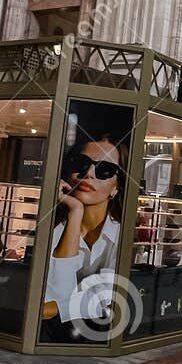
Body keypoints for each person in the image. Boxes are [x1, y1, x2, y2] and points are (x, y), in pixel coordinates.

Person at [42, 135, 126, 337]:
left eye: (105, 170)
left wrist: (56, 308)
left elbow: (107, 300)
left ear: (115, 187)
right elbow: (58, 293)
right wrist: (75, 211)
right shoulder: (51, 231)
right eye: (81, 163)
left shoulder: (122, 236)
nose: (88, 174)